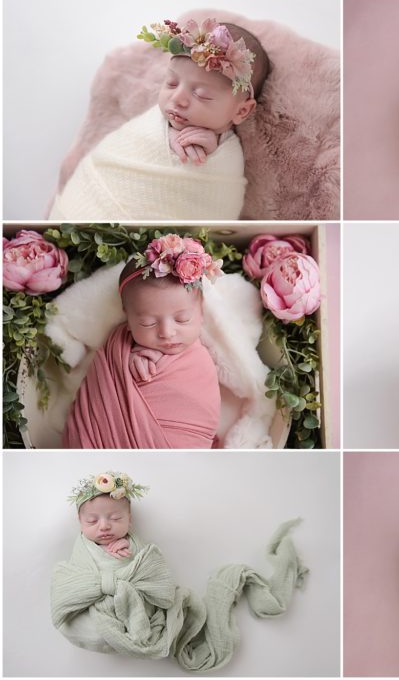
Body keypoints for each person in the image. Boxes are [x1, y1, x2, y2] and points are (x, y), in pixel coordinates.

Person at [52, 471, 307, 671]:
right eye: (92, 521)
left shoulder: (136, 548)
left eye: (115, 519)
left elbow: (157, 580)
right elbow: (71, 581)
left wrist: (127, 555)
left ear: (130, 521)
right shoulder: (82, 551)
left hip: (137, 608)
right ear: (80, 524)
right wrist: (107, 571)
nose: (104, 527)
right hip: (95, 613)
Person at [48, 18, 270, 220]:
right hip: (82, 207)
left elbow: (217, 203)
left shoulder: (228, 154)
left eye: (201, 94)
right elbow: (121, 148)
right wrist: (165, 140)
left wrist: (210, 158)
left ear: (241, 111)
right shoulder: (152, 121)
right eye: (171, 83)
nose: (177, 98)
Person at [62, 234, 222, 448]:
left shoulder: (198, 363)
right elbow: (104, 394)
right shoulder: (117, 351)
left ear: (201, 312)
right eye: (147, 323)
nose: (167, 332)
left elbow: (200, 408)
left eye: (182, 319)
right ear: (128, 318)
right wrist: (129, 364)